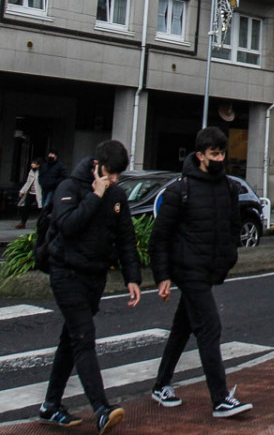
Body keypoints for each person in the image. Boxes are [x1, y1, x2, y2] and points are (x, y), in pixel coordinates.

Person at [39, 140, 141, 434]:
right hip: (66, 273)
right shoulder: (69, 188)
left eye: (118, 175)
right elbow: (67, 226)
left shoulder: (118, 195)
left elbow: (125, 239)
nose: (114, 180)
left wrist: (132, 278)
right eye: (110, 173)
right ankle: (101, 409)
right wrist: (94, 197)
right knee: (83, 337)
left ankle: (50, 406)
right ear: (97, 166)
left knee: (70, 341)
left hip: (93, 277)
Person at [149, 126, 252, 418]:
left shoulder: (228, 188)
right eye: (214, 154)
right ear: (200, 155)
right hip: (189, 268)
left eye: (222, 153)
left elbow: (233, 227)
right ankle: (219, 398)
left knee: (183, 327)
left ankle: (161, 384)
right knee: (209, 327)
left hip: (210, 269)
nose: (219, 158)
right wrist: (163, 276)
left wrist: (229, 257)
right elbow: (160, 237)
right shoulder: (180, 190)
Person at [15, 158, 43, 229]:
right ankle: (23, 222)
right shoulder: (31, 171)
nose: (32, 165)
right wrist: (22, 191)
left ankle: (41, 224)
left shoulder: (42, 172)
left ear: (38, 165)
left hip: (38, 193)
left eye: (33, 163)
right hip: (30, 192)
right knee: (26, 207)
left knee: (41, 208)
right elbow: (28, 182)